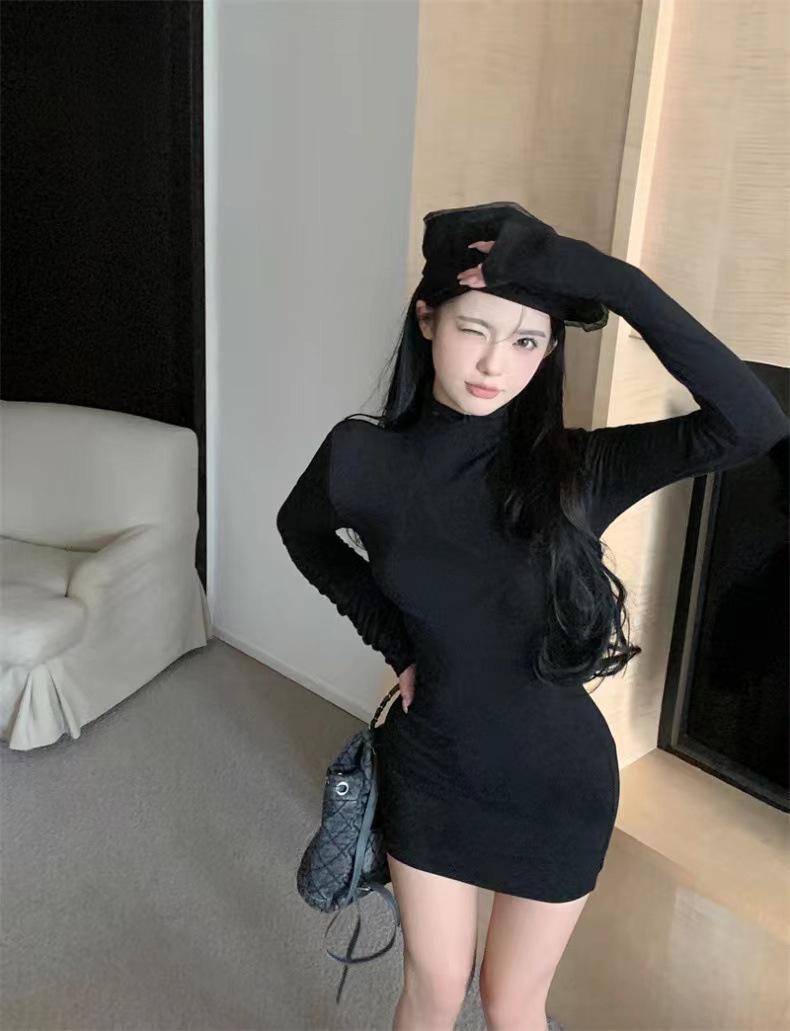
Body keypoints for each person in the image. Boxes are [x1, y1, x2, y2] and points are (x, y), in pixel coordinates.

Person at [276, 202, 788, 1031]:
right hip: (432, 769)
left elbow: (755, 422)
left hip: (557, 785)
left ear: (550, 351)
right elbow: (301, 532)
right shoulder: (359, 457)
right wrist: (394, 639)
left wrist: (609, 281)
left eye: (526, 341)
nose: (494, 364)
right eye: (474, 329)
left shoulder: (579, 470)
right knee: (434, 989)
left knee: (513, 1004)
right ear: (427, 318)